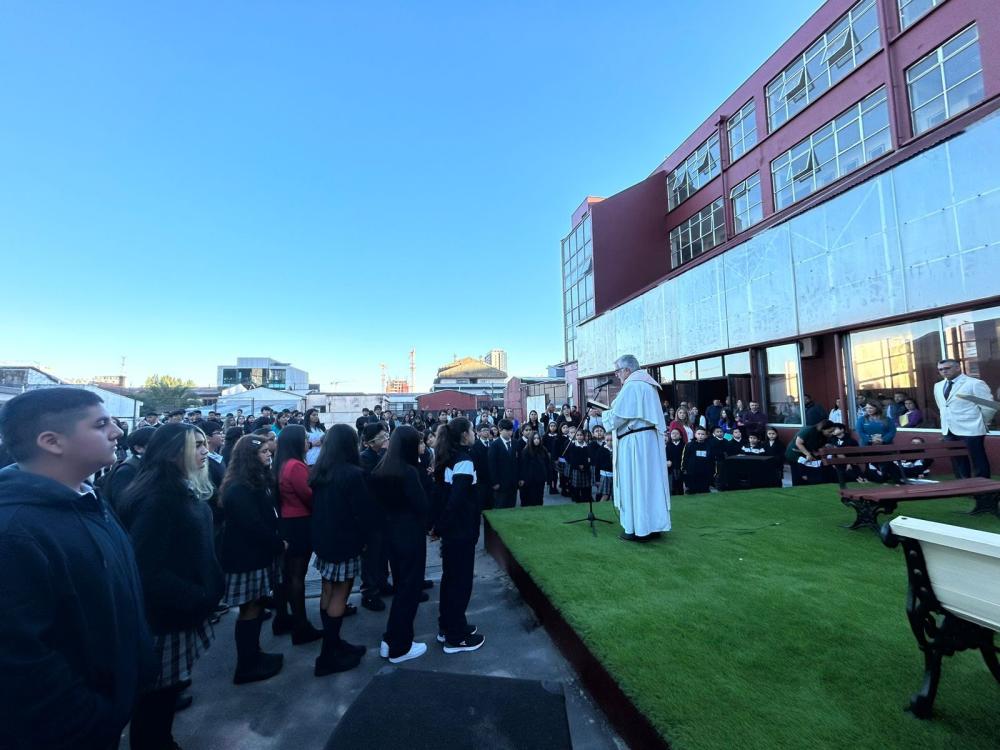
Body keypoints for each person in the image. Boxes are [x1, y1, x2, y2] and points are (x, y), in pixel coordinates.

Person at [0, 389, 153, 750]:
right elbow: (18, 659)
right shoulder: (14, 532)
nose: (118, 432)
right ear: (52, 441)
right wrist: (93, 717)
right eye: (101, 424)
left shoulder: (87, 500)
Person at [119, 423, 223, 750]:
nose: (205, 451)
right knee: (157, 698)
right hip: (165, 618)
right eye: (197, 445)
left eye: (205, 443)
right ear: (172, 453)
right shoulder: (159, 498)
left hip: (176, 612)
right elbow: (146, 569)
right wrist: (199, 596)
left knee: (165, 694)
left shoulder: (175, 489)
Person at [219, 435, 286, 684]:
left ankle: (254, 654)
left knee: (256, 605)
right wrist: (277, 543)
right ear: (249, 457)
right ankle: (247, 664)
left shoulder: (255, 480)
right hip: (246, 558)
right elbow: (252, 525)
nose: (269, 455)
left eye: (269, 451)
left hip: (257, 555)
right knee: (250, 608)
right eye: (263, 452)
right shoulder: (239, 487)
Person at [310, 425, 370, 676]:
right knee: (340, 595)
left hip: (324, 540)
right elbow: (362, 513)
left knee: (327, 590)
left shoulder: (319, 471)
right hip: (345, 542)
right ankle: (328, 656)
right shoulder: (353, 474)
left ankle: (333, 643)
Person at [593, 354, 670, 542]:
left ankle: (637, 529)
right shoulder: (648, 385)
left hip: (635, 444)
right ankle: (652, 526)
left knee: (635, 482)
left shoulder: (632, 386)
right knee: (650, 483)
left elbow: (617, 417)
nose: (616, 374)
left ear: (627, 370)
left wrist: (603, 414)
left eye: (617, 371)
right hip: (648, 442)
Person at [370, 425, 430, 664]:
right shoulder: (408, 472)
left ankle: (391, 638)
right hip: (410, 535)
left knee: (401, 587)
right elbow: (422, 505)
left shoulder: (380, 468)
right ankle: (400, 646)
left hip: (390, 535)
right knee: (409, 589)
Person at [432, 418, 486, 652]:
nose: (474, 433)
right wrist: (440, 527)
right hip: (460, 531)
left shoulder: (450, 456)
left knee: (451, 580)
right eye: (472, 430)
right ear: (465, 434)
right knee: (460, 583)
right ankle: (456, 637)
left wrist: (439, 526)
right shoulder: (463, 460)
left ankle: (449, 625)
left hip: (454, 531)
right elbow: (456, 500)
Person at [273, 425, 322, 644]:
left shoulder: (282, 464)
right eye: (305, 438)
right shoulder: (295, 466)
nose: (308, 442)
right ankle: (301, 626)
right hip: (299, 523)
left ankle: (288, 619)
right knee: (296, 576)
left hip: (289, 522)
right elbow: (310, 496)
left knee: (290, 575)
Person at [359, 422, 391, 611]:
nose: (386, 439)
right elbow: (375, 480)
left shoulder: (383, 454)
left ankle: (382, 583)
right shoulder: (365, 458)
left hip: (384, 513)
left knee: (383, 552)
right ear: (370, 442)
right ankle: (369, 592)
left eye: (386, 435)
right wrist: (385, 454)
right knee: (371, 555)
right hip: (371, 514)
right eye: (382, 437)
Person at [103, 425, 155, 512]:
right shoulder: (127, 471)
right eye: (156, 444)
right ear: (138, 448)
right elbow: (122, 506)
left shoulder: (152, 466)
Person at [785, 419, 838, 486]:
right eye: (830, 431)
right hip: (794, 454)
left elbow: (818, 447)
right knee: (798, 475)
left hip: (807, 455)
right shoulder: (809, 430)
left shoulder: (824, 436)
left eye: (833, 431)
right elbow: (798, 443)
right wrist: (808, 454)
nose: (832, 433)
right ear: (822, 429)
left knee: (808, 475)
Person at [488, 419, 519, 509]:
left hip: (513, 483)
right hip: (501, 483)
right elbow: (492, 465)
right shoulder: (495, 445)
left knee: (512, 506)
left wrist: (519, 478)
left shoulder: (515, 443)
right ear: (500, 430)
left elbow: (519, 462)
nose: (510, 432)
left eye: (511, 430)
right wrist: (495, 482)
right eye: (507, 430)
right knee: (500, 506)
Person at [518, 432, 550, 507]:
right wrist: (521, 479)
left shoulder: (543, 449)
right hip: (528, 481)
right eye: (534, 438)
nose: (536, 440)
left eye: (538, 438)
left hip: (540, 480)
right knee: (528, 501)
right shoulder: (526, 451)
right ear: (531, 439)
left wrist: (547, 477)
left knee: (539, 500)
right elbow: (522, 467)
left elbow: (547, 464)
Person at [681, 428, 713, 494]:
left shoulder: (709, 446)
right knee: (692, 492)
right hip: (692, 473)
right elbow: (685, 458)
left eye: (703, 434)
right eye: (699, 434)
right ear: (695, 435)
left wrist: (712, 471)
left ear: (706, 436)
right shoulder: (689, 445)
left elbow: (712, 459)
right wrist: (684, 469)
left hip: (705, 473)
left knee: (704, 492)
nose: (700, 436)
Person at [471, 423, 494, 511]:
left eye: (488, 430)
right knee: (482, 504)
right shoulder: (475, 445)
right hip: (480, 479)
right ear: (478, 432)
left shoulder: (493, 444)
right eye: (484, 430)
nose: (486, 432)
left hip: (491, 478)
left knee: (491, 504)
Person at [565, 428, 592, 504]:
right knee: (576, 486)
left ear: (584, 436)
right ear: (575, 436)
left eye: (581, 435)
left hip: (585, 468)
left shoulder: (587, 446)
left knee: (585, 486)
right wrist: (578, 466)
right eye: (578, 435)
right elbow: (572, 458)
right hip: (576, 468)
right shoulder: (573, 445)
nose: (579, 436)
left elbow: (589, 457)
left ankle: (585, 499)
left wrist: (585, 465)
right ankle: (576, 498)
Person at [541, 420, 563, 495]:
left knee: (555, 473)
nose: (553, 427)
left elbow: (560, 447)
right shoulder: (545, 436)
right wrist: (547, 453)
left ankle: (555, 487)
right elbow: (543, 446)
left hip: (556, 457)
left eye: (554, 426)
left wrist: (558, 456)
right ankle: (551, 487)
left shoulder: (558, 436)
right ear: (549, 427)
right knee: (550, 473)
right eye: (551, 426)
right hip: (548, 458)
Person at [665, 428, 685, 496]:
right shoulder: (668, 446)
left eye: (677, 433)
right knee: (672, 487)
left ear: (680, 436)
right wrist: (667, 461)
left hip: (681, 468)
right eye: (673, 433)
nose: (674, 435)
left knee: (680, 487)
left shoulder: (684, 445)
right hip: (671, 469)